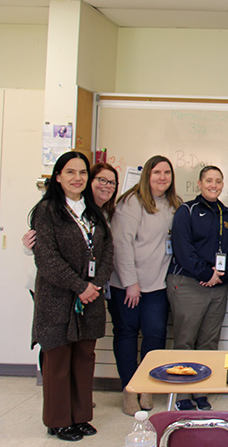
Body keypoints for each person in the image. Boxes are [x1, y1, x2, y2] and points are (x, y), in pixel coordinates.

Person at [29, 151, 114, 441]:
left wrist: (96, 285)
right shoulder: (47, 212)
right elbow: (47, 258)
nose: (77, 178)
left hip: (89, 299)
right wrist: (80, 286)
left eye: (82, 173)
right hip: (58, 299)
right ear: (58, 177)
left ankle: (80, 417)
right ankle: (58, 420)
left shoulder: (93, 213)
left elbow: (107, 252)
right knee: (57, 362)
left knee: (83, 360)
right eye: (70, 172)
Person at [109, 155, 181, 415]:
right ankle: (129, 389)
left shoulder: (174, 204)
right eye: (157, 172)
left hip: (157, 286)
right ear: (147, 176)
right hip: (128, 285)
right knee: (127, 334)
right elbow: (121, 245)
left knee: (155, 335)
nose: (162, 177)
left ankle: (147, 387)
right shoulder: (131, 203)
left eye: (167, 173)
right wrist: (131, 283)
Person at [166, 165, 228, 411]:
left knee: (209, 341)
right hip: (189, 284)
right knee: (185, 340)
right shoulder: (187, 210)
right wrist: (206, 273)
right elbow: (183, 248)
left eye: (218, 180)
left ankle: (201, 391)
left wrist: (220, 277)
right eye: (208, 180)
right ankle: (183, 394)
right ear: (199, 183)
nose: (213, 185)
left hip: (217, 287)